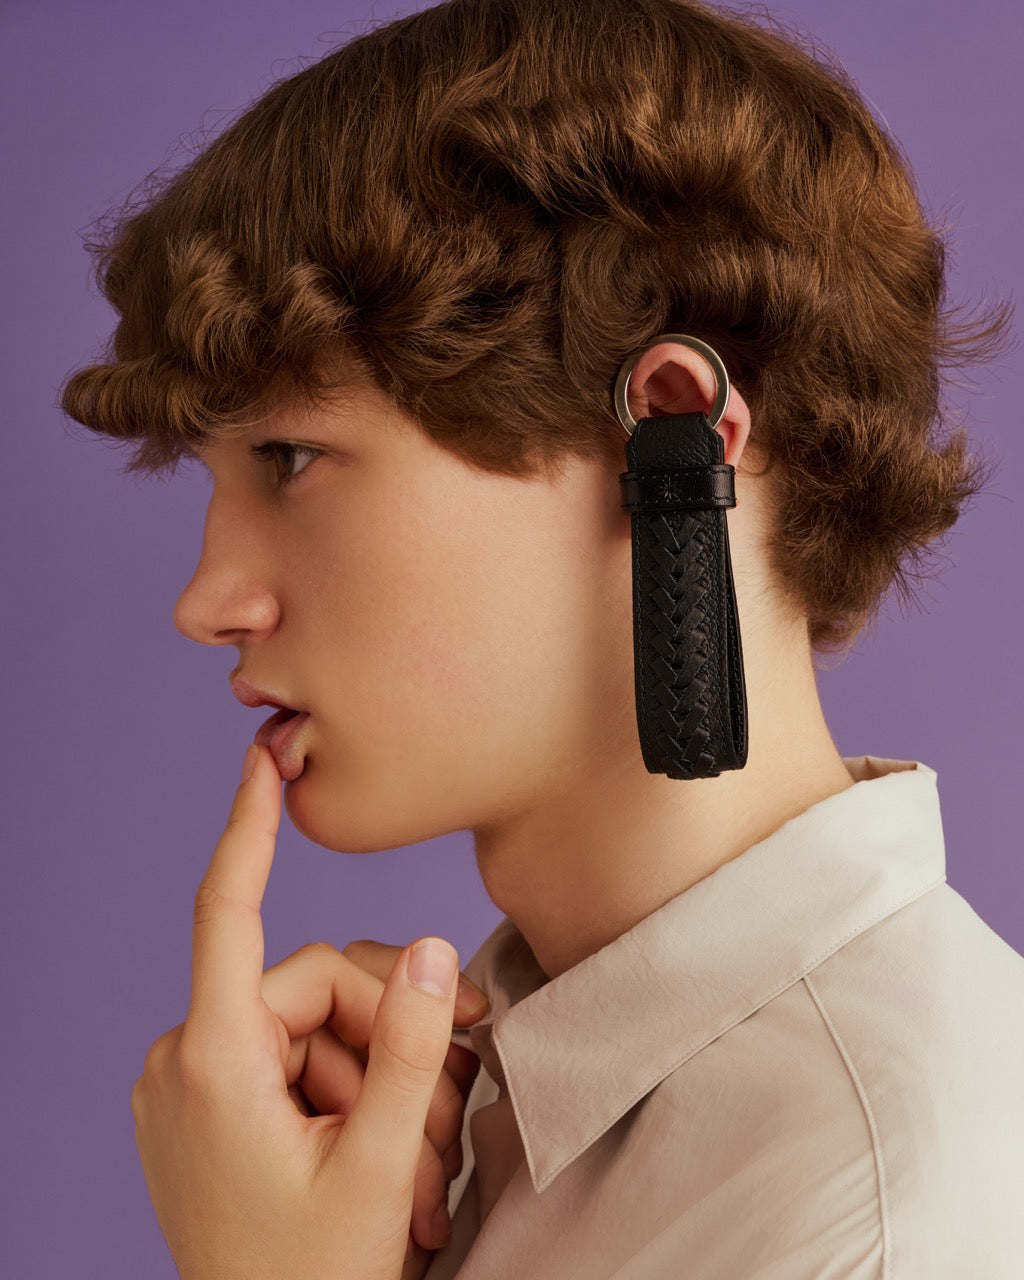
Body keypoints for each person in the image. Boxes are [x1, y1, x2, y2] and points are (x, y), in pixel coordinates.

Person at [59, 0, 1024, 1275]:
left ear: (668, 429)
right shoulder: (450, 1128)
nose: (207, 599)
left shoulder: (890, 1209)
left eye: (288, 457)